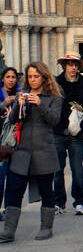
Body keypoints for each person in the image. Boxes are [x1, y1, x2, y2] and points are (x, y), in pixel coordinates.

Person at [0, 62, 64, 242]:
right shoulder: (22, 94)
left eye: (36, 76)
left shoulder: (54, 97)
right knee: (13, 190)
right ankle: (8, 230)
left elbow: (54, 120)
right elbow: (12, 119)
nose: (32, 80)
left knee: (46, 190)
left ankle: (46, 227)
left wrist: (41, 104)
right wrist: (18, 105)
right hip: (21, 151)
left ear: (44, 77)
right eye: (29, 76)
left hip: (44, 150)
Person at [52, 51, 83, 214]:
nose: (73, 68)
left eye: (75, 65)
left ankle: (79, 201)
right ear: (64, 66)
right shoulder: (56, 83)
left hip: (76, 132)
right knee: (57, 169)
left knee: (77, 169)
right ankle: (59, 201)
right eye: (70, 64)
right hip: (58, 131)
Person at [0, 66, 21, 215]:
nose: (11, 80)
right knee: (0, 176)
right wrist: (4, 104)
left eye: (13, 77)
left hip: (14, 139)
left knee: (12, 177)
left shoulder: (19, 94)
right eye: (8, 77)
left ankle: (9, 208)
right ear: (2, 79)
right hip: (1, 139)